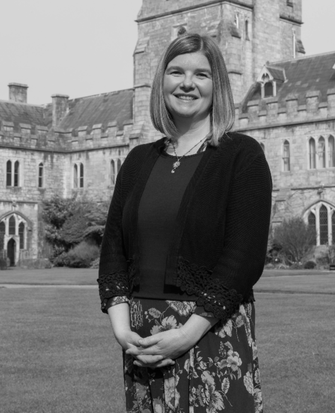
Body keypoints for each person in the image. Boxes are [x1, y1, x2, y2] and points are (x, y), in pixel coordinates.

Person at [98, 32, 272, 413]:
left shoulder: (241, 156)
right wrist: (123, 331)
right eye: (176, 72)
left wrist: (187, 333)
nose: (187, 83)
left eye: (201, 74)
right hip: (143, 345)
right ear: (161, 82)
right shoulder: (138, 161)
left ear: (217, 85)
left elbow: (243, 258)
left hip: (211, 334)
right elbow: (113, 250)